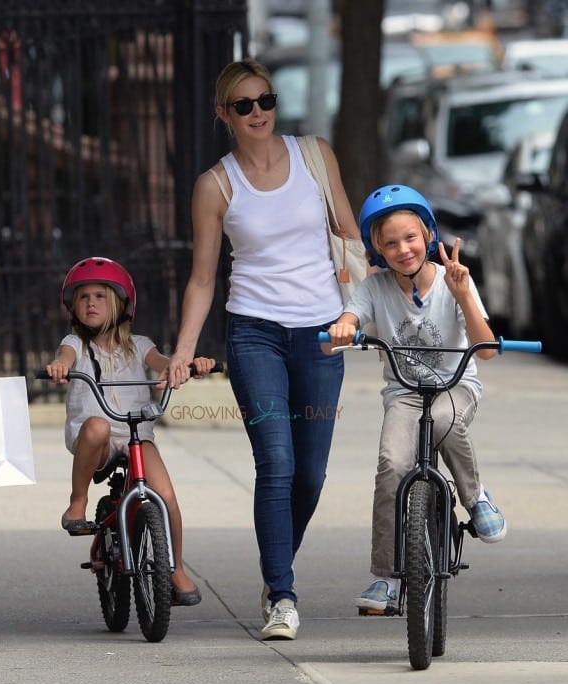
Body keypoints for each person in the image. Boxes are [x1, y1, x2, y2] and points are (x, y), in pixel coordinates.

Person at [167, 58, 362, 640]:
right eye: (245, 105)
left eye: (267, 101)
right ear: (224, 114)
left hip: (323, 334)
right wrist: (183, 351)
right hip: (254, 332)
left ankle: (278, 562)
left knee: (311, 475)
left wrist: (368, 307)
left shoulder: (315, 155)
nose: (260, 113)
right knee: (276, 464)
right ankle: (282, 594)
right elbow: (203, 278)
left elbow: (349, 234)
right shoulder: (215, 185)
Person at [326, 184, 507, 612]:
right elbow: (349, 318)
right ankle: (385, 579)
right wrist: (342, 326)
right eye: (390, 243)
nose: (403, 249)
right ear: (377, 249)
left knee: (445, 420)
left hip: (457, 386)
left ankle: (475, 495)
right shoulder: (376, 288)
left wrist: (463, 294)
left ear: (428, 235)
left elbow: (487, 349)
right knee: (392, 464)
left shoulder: (454, 280)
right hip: (405, 395)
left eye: (410, 237)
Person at [46, 256, 215, 607]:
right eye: (83, 297)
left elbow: (164, 364)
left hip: (136, 434)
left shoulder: (140, 345)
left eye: (100, 296)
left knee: (165, 496)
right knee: (97, 426)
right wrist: (61, 366)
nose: (90, 303)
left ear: (121, 305)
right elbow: (64, 356)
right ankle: (77, 501)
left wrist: (186, 366)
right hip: (96, 440)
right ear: (72, 306)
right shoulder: (75, 345)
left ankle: (175, 568)